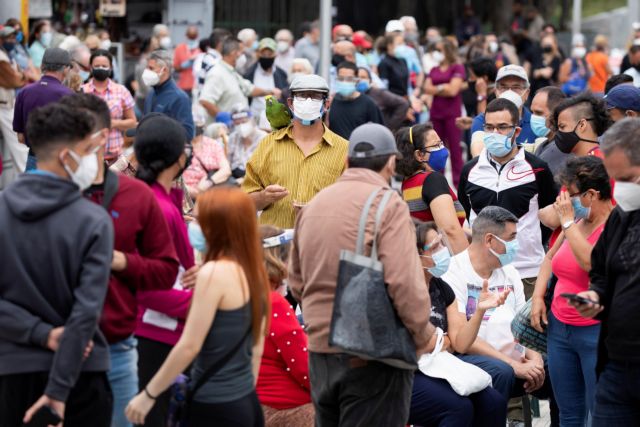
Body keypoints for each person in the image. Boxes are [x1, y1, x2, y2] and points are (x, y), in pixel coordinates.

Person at [289, 123, 436, 426]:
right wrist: (423, 335)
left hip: (319, 351)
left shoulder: (314, 205)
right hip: (371, 354)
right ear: (391, 163)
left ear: (346, 161)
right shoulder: (387, 204)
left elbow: (297, 282)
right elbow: (405, 284)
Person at [59, 93, 180, 427]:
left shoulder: (135, 195)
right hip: (50, 348)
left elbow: (166, 270)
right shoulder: (43, 195)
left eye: (79, 135)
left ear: (102, 138)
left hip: (116, 347)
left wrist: (120, 262)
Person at [0, 103, 113, 426]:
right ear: (67, 156)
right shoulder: (93, 221)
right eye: (88, 150)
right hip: (80, 376)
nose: (94, 159)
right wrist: (58, 393)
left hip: (12, 371)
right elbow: (85, 312)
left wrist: (39, 333)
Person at [125, 187, 271, 427]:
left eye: (199, 219)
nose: (192, 224)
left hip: (213, 404)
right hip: (245, 401)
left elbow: (189, 346)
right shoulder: (255, 274)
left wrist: (148, 394)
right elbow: (255, 351)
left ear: (217, 227)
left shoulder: (213, 274)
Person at [441, 207, 554, 408]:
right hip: (476, 359)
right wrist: (513, 365)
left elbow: (523, 326)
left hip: (517, 360)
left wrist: (535, 361)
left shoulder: (509, 272)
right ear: (489, 240)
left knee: (558, 365)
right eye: (511, 238)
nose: (515, 245)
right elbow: (460, 338)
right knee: (502, 372)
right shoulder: (453, 273)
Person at [530, 156, 612, 426]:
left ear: (592, 194)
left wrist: (566, 223)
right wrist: (539, 297)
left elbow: (591, 264)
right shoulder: (576, 222)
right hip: (560, 329)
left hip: (595, 332)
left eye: (569, 195)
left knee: (598, 412)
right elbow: (550, 259)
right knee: (568, 412)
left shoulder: (613, 226)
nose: (563, 202)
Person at [570, 118, 640, 425]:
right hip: (617, 365)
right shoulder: (621, 217)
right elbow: (602, 274)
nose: (620, 189)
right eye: (615, 179)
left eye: (627, 178)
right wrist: (595, 296)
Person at [409, 221, 508, 427]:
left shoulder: (442, 288)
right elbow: (412, 345)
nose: (442, 251)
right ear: (416, 256)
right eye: (434, 247)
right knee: (459, 407)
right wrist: (440, 340)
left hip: (441, 364)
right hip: (409, 371)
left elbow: (459, 343)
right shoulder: (405, 290)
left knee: (494, 402)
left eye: (441, 243)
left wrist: (480, 310)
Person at [133, 114, 198, 427]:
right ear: (179, 157)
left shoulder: (160, 201)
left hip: (162, 328)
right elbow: (144, 287)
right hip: (156, 332)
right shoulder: (155, 207)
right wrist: (200, 303)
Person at [459, 98, 557, 298]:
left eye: (502, 127)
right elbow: (465, 215)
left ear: (517, 131)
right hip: (482, 275)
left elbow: (548, 217)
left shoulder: (537, 168)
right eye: (489, 127)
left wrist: (529, 242)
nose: (495, 133)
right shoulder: (470, 170)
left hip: (527, 274)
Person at [241, 74, 348, 229]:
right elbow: (245, 202)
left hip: (320, 242)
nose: (308, 101)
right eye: (303, 96)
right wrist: (264, 197)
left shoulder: (344, 150)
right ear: (290, 103)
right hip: (274, 246)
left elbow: (352, 205)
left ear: (326, 104)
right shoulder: (268, 144)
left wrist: (319, 211)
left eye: (315, 96)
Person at [256, 225, 314, 426]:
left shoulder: (242, 294)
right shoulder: (273, 302)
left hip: (255, 400)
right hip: (285, 405)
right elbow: (305, 368)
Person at [538, 93, 612, 230]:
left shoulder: (588, 167)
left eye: (562, 127)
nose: (558, 134)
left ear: (582, 124)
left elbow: (552, 218)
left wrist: (544, 212)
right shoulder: (598, 158)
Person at [395, 124, 468, 254]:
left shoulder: (407, 182)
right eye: (436, 146)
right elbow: (450, 230)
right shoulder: (432, 180)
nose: (443, 149)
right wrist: (469, 267)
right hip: (446, 258)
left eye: (441, 143)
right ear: (419, 155)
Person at [13, 47, 73, 172]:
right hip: (60, 162)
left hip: (34, 159)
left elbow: (21, 138)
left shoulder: (24, 92)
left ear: (42, 66)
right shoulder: (69, 95)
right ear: (66, 68)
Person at [199, 38, 280, 123]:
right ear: (234, 53)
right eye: (241, 52)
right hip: (223, 131)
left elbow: (249, 89)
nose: (242, 56)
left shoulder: (231, 72)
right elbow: (205, 101)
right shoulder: (217, 74)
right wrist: (224, 118)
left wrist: (270, 92)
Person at [423, 38, 466, 186]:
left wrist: (437, 88)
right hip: (436, 113)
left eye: (439, 50)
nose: (436, 53)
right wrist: (444, 87)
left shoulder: (457, 68)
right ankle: (437, 181)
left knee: (455, 149)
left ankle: (458, 182)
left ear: (447, 51)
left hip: (452, 114)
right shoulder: (433, 69)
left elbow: (453, 90)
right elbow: (426, 87)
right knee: (435, 149)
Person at [82, 49, 137, 164]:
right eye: (97, 65)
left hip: (114, 154)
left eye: (104, 65)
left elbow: (132, 122)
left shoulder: (121, 91)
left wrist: (113, 123)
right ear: (91, 68)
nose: (101, 68)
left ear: (111, 67)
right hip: (88, 153)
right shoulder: (82, 90)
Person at [471, 65, 536, 145]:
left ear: (526, 93)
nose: (509, 92)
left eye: (516, 87)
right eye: (503, 87)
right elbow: (478, 150)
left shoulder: (535, 124)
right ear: (495, 92)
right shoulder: (482, 121)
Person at [142, 49, 195, 140]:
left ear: (164, 70)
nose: (146, 71)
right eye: (146, 68)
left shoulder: (180, 98)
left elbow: (188, 134)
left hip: (167, 151)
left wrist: (159, 131)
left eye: (151, 68)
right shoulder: (151, 93)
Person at [328, 61, 384, 139]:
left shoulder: (368, 104)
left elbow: (379, 132)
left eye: (349, 79)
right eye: (341, 78)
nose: (344, 82)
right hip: (336, 149)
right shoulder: (331, 102)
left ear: (357, 80)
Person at [0, 25, 27, 188]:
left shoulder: (9, 56)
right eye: (8, 38)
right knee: (18, 146)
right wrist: (21, 76)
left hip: (7, 103)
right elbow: (15, 80)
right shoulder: (2, 58)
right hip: (3, 106)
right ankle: (27, 181)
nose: (11, 41)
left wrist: (20, 76)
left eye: (13, 37)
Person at [183, 114, 232, 197]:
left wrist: (209, 182)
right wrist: (193, 192)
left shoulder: (212, 144)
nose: (195, 128)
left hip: (210, 191)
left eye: (198, 124)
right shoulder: (180, 145)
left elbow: (226, 170)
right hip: (185, 192)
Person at [244, 38, 288, 122]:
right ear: (258, 54)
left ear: (275, 54)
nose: (266, 57)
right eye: (263, 54)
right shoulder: (249, 73)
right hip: (253, 117)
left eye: (269, 54)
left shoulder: (281, 74)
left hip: (275, 119)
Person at [530, 87, 569, 177]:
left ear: (557, 114)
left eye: (539, 113)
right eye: (532, 112)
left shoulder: (560, 148)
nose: (533, 117)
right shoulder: (544, 145)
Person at [357, 66, 408, 132]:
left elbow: (403, 103)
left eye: (363, 77)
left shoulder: (378, 93)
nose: (360, 80)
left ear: (370, 80)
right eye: (357, 77)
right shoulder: (351, 96)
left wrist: (389, 126)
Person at [227, 106, 267, 179]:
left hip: (257, 179)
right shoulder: (233, 137)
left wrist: (244, 180)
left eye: (244, 122)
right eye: (237, 124)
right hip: (235, 177)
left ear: (252, 121)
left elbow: (266, 167)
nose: (241, 126)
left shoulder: (263, 137)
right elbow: (228, 161)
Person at [193, 28, 231, 102]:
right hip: (208, 103)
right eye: (228, 43)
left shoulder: (209, 58)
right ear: (220, 44)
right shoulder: (214, 61)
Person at [378, 32, 410, 97]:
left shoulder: (403, 60)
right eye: (399, 43)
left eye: (403, 43)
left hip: (405, 98)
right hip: (393, 100)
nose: (403, 46)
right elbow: (384, 87)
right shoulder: (384, 63)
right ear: (389, 46)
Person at [173, 25, 201, 97]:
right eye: (190, 37)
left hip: (198, 86)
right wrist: (185, 65)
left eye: (193, 37)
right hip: (183, 86)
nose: (192, 39)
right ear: (186, 36)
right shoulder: (179, 48)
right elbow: (176, 68)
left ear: (197, 36)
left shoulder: (201, 49)